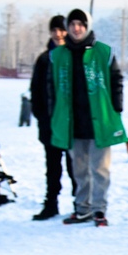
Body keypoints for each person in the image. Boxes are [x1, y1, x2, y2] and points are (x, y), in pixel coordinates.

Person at [49, 9, 127, 227]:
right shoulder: (59, 55)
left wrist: (116, 108)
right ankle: (82, 208)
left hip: (98, 121)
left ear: (87, 26)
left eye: (80, 24)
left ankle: (99, 209)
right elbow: (51, 87)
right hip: (72, 123)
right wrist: (51, 113)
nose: (76, 28)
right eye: (72, 24)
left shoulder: (103, 52)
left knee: (100, 169)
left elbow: (116, 80)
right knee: (79, 170)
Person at [30, 14, 77, 220]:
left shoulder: (73, 56)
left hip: (71, 123)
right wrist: (41, 117)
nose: (58, 34)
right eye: (54, 30)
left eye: (61, 30)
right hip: (49, 123)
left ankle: (80, 204)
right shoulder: (43, 59)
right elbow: (36, 90)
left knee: (75, 166)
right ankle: (51, 204)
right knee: (52, 167)